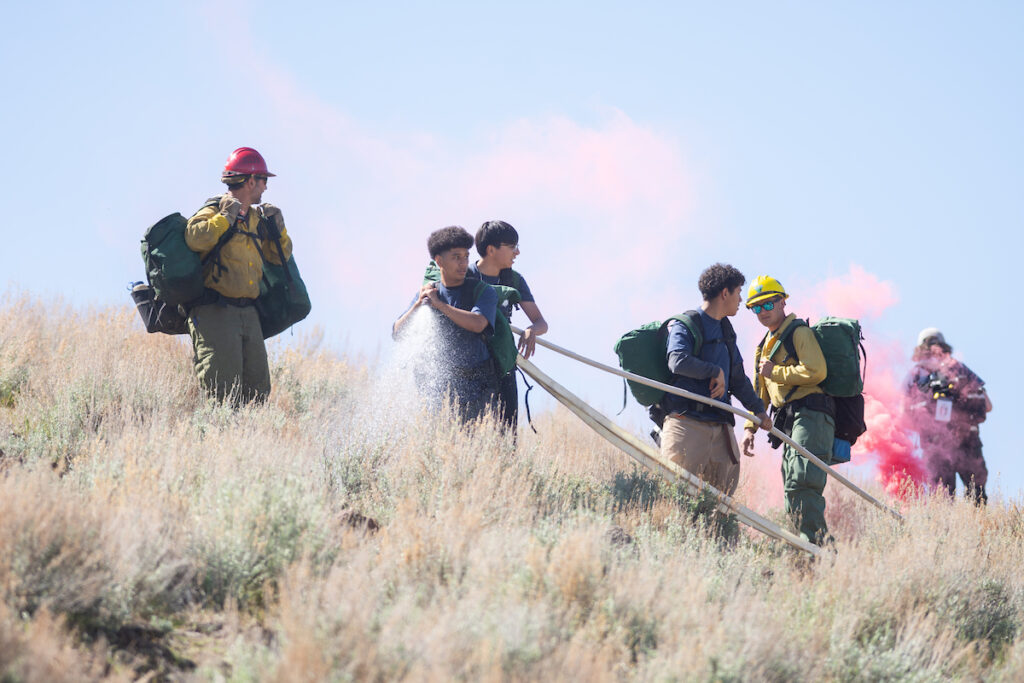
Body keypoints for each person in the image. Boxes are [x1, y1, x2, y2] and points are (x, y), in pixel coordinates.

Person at [184, 147, 293, 403]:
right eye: (264, 180)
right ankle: (217, 440)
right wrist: (225, 217)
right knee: (222, 394)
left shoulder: (257, 219)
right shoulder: (215, 209)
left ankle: (248, 439)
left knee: (257, 393)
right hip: (216, 313)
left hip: (249, 315)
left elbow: (280, 257)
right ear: (251, 180)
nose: (266, 187)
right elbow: (194, 238)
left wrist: (279, 231)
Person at [657, 264, 771, 496]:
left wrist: (758, 411)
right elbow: (677, 361)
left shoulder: (727, 332)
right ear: (725, 293)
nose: (741, 299)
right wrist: (714, 371)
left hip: (721, 430)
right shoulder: (685, 324)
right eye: (739, 292)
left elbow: (738, 379)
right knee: (675, 495)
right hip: (686, 424)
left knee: (720, 506)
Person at [741, 275, 834, 545]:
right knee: (792, 487)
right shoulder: (764, 346)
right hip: (790, 421)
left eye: (768, 305)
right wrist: (750, 427)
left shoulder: (799, 333)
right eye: (755, 308)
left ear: (782, 302)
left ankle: (817, 549)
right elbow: (761, 390)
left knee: (803, 481)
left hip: (811, 414)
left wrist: (777, 372)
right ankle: (802, 548)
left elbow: (816, 370)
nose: (762, 313)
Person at [394, 226, 500, 422]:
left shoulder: (483, 291)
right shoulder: (428, 294)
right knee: (440, 443)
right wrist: (418, 305)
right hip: (437, 389)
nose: (463, 263)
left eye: (466, 257)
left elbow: (478, 324)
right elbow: (398, 333)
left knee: (474, 446)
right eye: (456, 257)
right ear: (439, 261)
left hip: (477, 387)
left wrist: (440, 306)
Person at [468, 220, 548, 432]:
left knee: (507, 428)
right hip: (469, 362)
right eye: (512, 247)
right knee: (468, 427)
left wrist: (532, 330)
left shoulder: (513, 280)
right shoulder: (466, 276)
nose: (518, 252)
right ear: (491, 250)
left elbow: (541, 322)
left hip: (503, 361)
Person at [903, 328, 992, 503]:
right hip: (968, 441)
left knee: (942, 499)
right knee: (977, 497)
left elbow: (902, 414)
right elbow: (988, 406)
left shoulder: (916, 374)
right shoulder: (959, 368)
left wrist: (924, 426)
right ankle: (981, 528)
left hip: (934, 445)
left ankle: (945, 530)